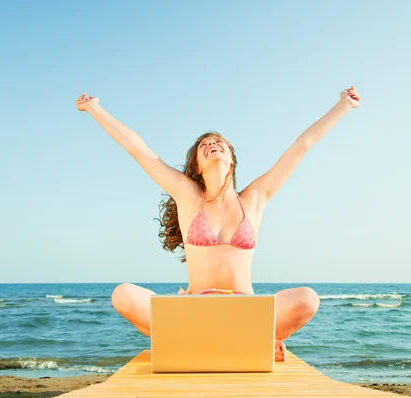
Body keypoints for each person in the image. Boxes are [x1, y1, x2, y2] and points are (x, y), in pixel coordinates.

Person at [76, 86, 361, 361]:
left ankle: (220, 340)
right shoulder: (187, 195)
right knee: (123, 294)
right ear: (197, 165)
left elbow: (302, 147)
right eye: (204, 145)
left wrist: (343, 104)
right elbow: (138, 149)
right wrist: (94, 108)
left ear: (231, 159)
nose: (212, 144)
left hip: (246, 311)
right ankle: (241, 342)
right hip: (195, 309)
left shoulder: (255, 197)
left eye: (218, 142)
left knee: (308, 299)